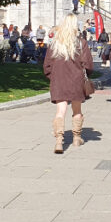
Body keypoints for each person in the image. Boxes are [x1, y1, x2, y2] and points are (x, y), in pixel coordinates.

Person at [43, 14, 93, 153]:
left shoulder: (55, 43)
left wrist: (52, 77)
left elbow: (47, 65)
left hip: (59, 80)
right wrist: (86, 76)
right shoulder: (80, 42)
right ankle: (77, 138)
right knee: (77, 110)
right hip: (76, 80)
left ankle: (59, 141)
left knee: (60, 111)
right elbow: (88, 64)